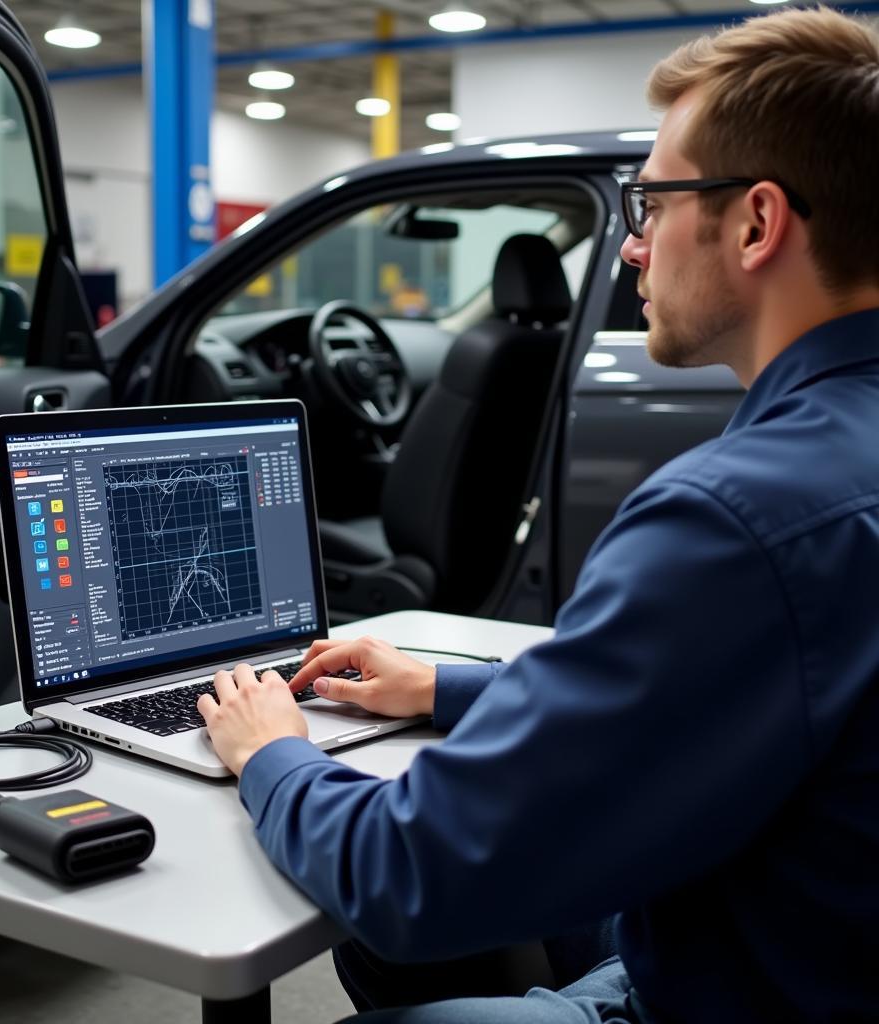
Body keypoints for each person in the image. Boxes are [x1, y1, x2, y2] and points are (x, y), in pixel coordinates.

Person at [197, 8, 879, 1022]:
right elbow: (732, 690)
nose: (635, 251)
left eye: (650, 206)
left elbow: (410, 869)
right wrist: (446, 687)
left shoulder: (736, 517)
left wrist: (271, 751)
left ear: (755, 223)